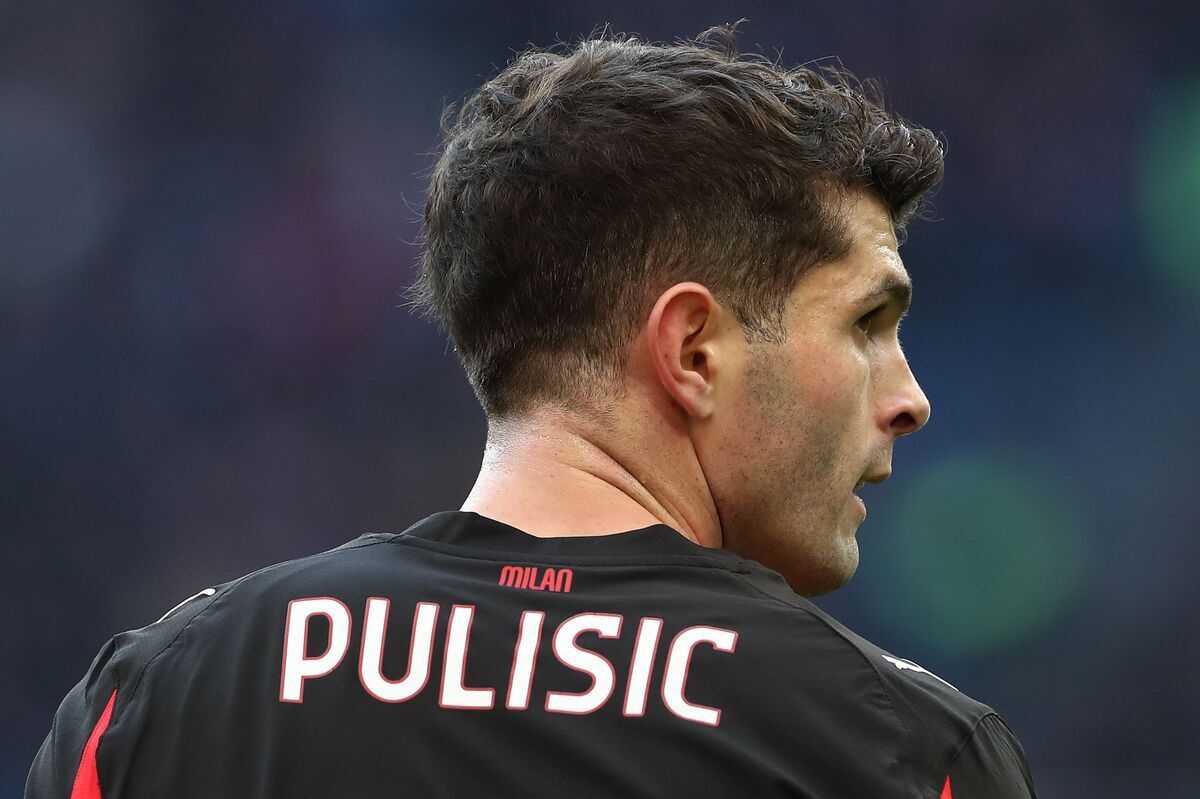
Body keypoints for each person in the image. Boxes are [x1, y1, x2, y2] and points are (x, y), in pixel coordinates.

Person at [27, 27, 1037, 798]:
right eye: (867, 322)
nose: (908, 399)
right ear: (692, 351)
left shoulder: (166, 698)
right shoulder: (898, 749)